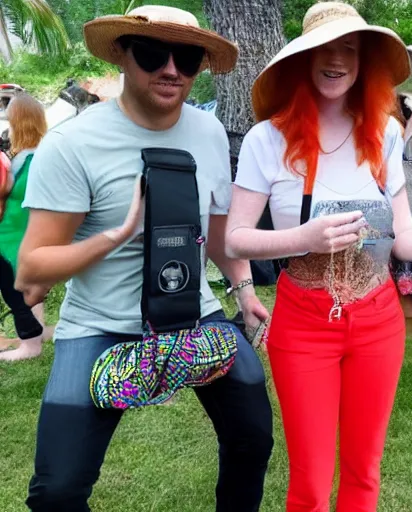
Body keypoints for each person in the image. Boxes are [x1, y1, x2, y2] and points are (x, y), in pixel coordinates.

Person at [15, 6, 273, 510]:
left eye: (189, 57)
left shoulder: (209, 133)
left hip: (194, 314)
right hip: (100, 324)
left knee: (252, 437)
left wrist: (244, 289)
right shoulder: (73, 144)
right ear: (123, 55)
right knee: (57, 490)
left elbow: (216, 235)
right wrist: (118, 232)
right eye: (154, 53)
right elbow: (30, 272)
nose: (172, 69)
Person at [225, 2, 412, 511]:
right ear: (302, 59)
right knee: (312, 486)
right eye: (324, 48)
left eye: (350, 49)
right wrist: (304, 238)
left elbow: (402, 229)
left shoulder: (382, 134)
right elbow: (235, 239)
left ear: (365, 64)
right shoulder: (266, 139)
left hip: (379, 317)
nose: (336, 59)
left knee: (364, 474)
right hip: (304, 322)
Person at [0, 92, 52, 361]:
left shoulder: (20, 160)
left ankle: (30, 345)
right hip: (34, 234)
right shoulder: (47, 153)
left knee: (13, 290)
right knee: (33, 284)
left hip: (9, 237)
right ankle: (39, 331)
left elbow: (4, 192)